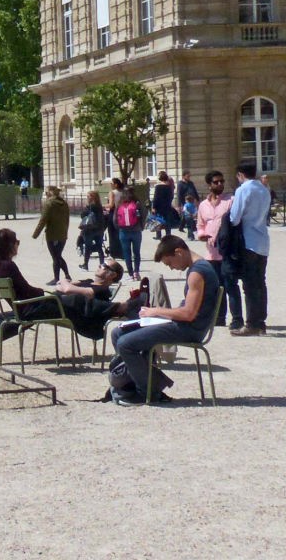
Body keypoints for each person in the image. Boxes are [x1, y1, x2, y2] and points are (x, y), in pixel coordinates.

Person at [107, 235, 221, 405]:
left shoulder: (197, 272)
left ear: (179, 252)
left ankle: (147, 392)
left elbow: (188, 314)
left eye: (169, 263)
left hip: (190, 329)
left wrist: (156, 311)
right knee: (118, 332)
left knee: (125, 344)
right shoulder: (198, 268)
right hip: (183, 324)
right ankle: (134, 384)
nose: (172, 268)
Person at [228, 161, 272, 336]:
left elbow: (234, 218)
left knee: (249, 284)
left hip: (248, 240)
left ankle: (252, 323)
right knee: (260, 282)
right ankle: (260, 322)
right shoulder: (264, 189)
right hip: (263, 240)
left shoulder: (243, 189)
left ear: (240, 174)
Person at [195, 170, 239, 326]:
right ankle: (219, 318)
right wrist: (201, 235)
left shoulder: (230, 201)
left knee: (230, 286)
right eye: (216, 182)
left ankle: (236, 319)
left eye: (222, 181)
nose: (220, 184)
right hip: (211, 253)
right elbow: (200, 225)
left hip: (227, 252)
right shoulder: (203, 205)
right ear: (209, 185)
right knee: (216, 287)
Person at [33, 186, 71, 285]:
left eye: (46, 193)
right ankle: (67, 275)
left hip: (52, 234)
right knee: (58, 256)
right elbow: (67, 219)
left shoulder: (49, 204)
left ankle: (56, 278)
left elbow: (43, 220)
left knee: (55, 257)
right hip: (62, 233)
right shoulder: (64, 203)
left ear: (50, 193)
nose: (45, 195)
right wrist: (65, 231)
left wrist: (35, 234)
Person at [78, 191, 108, 268]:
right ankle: (102, 264)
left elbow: (82, 215)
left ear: (92, 197)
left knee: (88, 247)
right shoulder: (100, 207)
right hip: (99, 229)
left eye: (88, 196)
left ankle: (86, 264)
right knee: (99, 248)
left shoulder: (90, 207)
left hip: (89, 229)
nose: (87, 198)